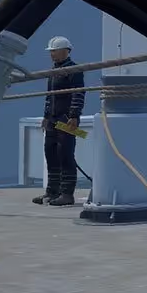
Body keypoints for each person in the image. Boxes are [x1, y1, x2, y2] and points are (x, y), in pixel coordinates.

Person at [36, 36, 85, 206]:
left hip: (66, 120)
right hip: (52, 119)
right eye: (51, 51)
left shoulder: (74, 69)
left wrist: (74, 115)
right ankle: (52, 192)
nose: (52, 54)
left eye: (54, 51)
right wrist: (45, 116)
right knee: (50, 154)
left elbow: (78, 93)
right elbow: (49, 97)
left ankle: (67, 194)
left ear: (66, 50)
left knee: (65, 155)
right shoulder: (53, 71)